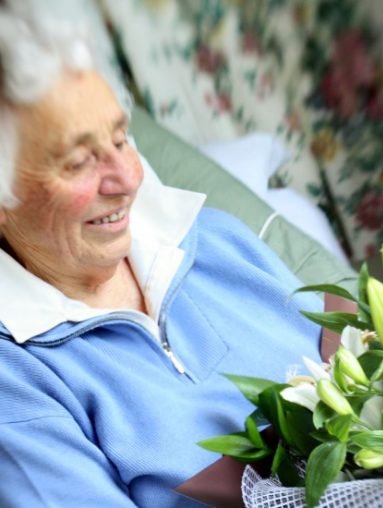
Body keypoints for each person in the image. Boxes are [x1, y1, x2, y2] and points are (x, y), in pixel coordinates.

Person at [0, 3, 330, 506]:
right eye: (80, 161)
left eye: (120, 138)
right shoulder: (16, 380)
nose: (127, 178)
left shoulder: (217, 238)